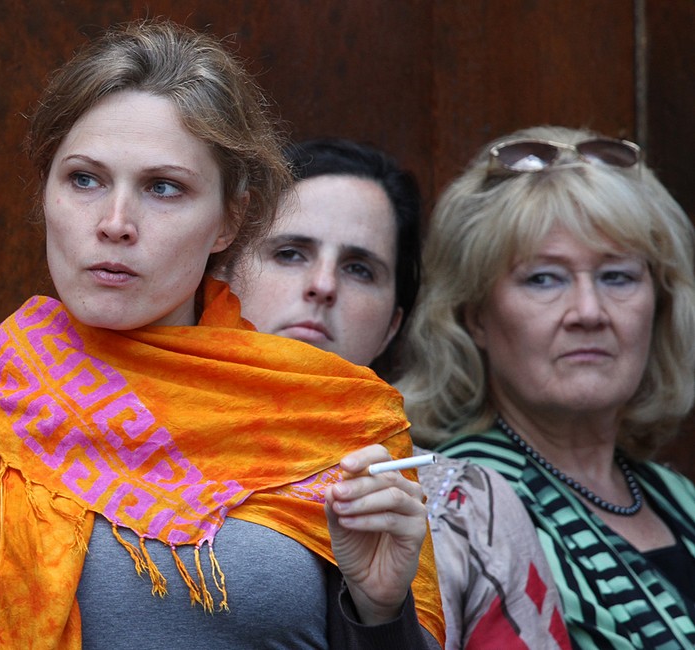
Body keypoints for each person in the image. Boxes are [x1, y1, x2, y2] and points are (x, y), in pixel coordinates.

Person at [0, 21, 444, 649]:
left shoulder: (335, 423)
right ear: (46, 192)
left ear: (231, 220)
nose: (115, 222)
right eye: (85, 179)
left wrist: (379, 610)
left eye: (163, 188)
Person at [227, 137, 570, 649]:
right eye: (290, 253)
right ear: (223, 274)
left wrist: (384, 613)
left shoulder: (466, 506)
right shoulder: (131, 451)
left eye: (359, 268)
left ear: (392, 326)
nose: (323, 284)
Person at [400, 124, 695, 649]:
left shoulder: (678, 496)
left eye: (617, 276)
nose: (589, 312)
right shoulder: (453, 504)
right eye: (544, 278)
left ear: (660, 304)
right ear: (475, 317)